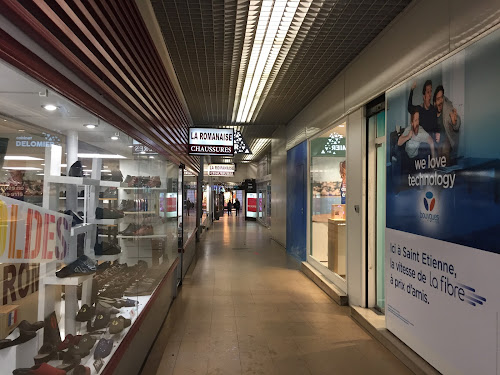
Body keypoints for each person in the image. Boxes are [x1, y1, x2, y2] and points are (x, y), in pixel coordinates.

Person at [433, 85, 461, 164]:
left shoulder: (447, 108)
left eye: (442, 97)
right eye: (438, 99)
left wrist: (455, 122)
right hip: (438, 139)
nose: (441, 101)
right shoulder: (433, 111)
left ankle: (447, 173)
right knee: (437, 155)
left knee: (445, 150)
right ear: (435, 102)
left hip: (447, 137)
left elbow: (457, 121)